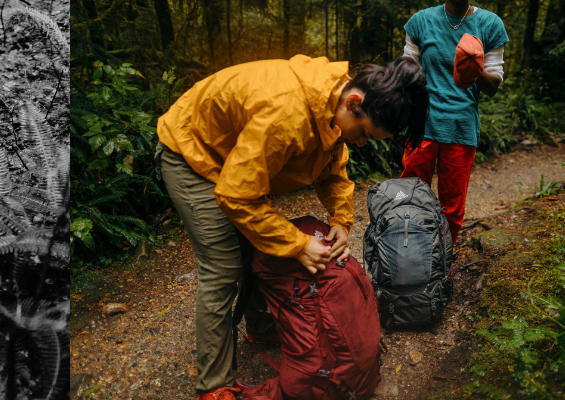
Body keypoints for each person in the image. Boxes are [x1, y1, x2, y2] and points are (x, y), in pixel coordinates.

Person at [156, 54, 425, 397]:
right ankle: (213, 386)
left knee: (258, 243)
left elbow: (333, 170)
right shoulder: (287, 113)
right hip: (192, 152)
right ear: (354, 101)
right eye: (364, 134)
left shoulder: (333, 105)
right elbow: (237, 196)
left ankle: (260, 326)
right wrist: (298, 245)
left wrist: (341, 220)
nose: (359, 143)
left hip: (235, 162)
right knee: (223, 269)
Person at [399, 0, 507, 240]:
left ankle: (442, 263)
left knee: (452, 208)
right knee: (410, 198)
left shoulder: (490, 24)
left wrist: (473, 70)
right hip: (421, 125)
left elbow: (493, 86)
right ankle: (406, 257)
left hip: (460, 127)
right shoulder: (420, 21)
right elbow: (407, 72)